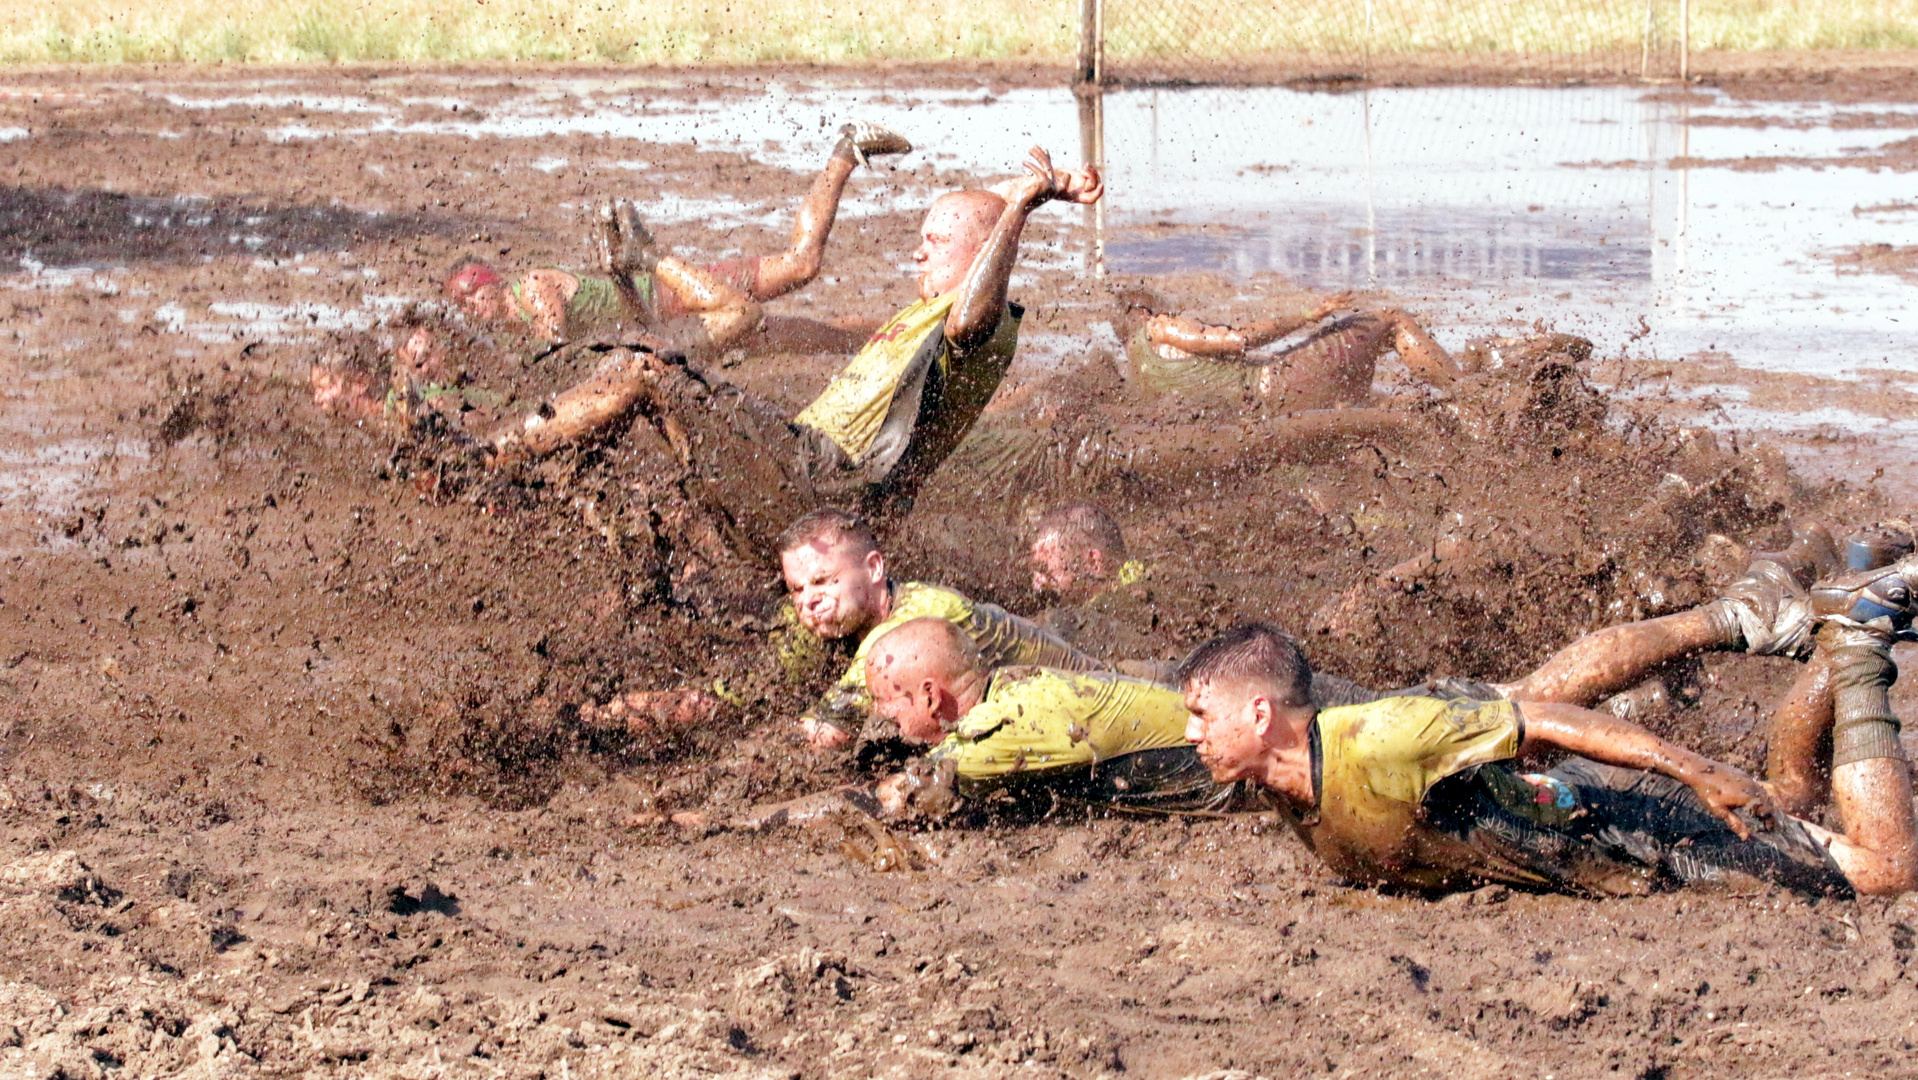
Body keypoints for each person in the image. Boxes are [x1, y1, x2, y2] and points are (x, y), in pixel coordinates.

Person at [492, 145, 1102, 545]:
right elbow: (980, 221)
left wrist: (1021, 209)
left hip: (827, 481)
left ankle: (490, 463)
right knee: (672, 414)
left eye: (934, 241)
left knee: (650, 372)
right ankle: (548, 499)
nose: (917, 251)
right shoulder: (937, 303)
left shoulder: (977, 324)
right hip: (804, 463)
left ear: (979, 256)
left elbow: (981, 279)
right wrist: (1036, 187)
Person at [1179, 622, 1917, 898]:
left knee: (1885, 872)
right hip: (1558, 815)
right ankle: (1834, 629)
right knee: (1786, 797)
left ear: (1261, 713)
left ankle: (1857, 648)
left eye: (1200, 715)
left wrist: (1695, 770)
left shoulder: (1379, 739)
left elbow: (1550, 718)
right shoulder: (1272, 774)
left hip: (1622, 826)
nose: (1190, 733)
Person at [583, 507, 1101, 750]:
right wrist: (609, 716)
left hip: (1087, 696)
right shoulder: (830, 615)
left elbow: (825, 735)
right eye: (797, 589)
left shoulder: (906, 629)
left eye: (825, 581)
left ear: (874, 570)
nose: (810, 602)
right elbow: (734, 696)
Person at [441, 122, 915, 354]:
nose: (469, 312)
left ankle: (844, 153)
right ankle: (898, 335)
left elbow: (557, 341)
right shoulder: (511, 321)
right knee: (798, 339)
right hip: (667, 319)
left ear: (491, 283)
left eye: (469, 299)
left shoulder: (531, 289)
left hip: (678, 293)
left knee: (800, 265)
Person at [1111, 286, 1460, 410]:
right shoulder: (1157, 328)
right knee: (1390, 320)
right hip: (1280, 386)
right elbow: (1240, 339)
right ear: (1143, 313)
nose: (1173, 315)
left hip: (1264, 413)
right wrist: (1308, 314)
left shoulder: (1137, 375)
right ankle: (1469, 394)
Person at [1027, 502, 1163, 672]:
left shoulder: (1115, 609)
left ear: (1093, 561)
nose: (1036, 584)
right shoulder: (1145, 583)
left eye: (1044, 569)